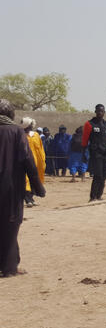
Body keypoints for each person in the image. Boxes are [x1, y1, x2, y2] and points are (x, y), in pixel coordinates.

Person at [0, 100, 45, 277]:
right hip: (11, 186)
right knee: (11, 223)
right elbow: (28, 161)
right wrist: (37, 187)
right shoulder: (16, 132)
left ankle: (11, 262)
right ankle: (9, 267)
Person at [82, 104, 106, 200]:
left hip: (105, 153)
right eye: (98, 111)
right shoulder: (89, 124)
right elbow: (84, 140)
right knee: (97, 175)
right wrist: (83, 154)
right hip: (95, 153)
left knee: (104, 175)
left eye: (102, 111)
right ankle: (93, 196)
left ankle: (99, 195)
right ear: (95, 111)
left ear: (104, 112)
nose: (100, 113)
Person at [21, 118, 45, 207]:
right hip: (23, 162)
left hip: (35, 162)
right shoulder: (20, 135)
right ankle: (27, 200)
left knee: (34, 180)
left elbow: (41, 149)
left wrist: (42, 161)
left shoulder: (36, 135)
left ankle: (31, 198)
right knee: (25, 180)